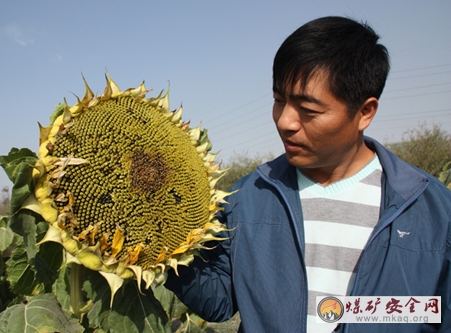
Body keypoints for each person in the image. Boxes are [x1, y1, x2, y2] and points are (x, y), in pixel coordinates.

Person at [165, 16, 451, 332]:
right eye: (278, 100)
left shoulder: (430, 209)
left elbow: (436, 314)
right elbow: (218, 300)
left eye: (308, 110)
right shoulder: (248, 198)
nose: (285, 121)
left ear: (364, 112)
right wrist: (161, 246)